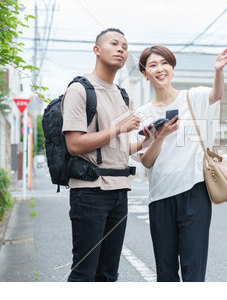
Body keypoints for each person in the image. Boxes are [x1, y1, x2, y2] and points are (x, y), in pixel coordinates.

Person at [135, 45, 227, 282]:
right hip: (160, 197)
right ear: (145, 74)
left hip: (194, 193)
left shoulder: (193, 97)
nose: (160, 69)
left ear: (172, 69)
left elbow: (216, 95)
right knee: (165, 272)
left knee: (193, 269)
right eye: (153, 65)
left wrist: (218, 71)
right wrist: (160, 137)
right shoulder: (142, 113)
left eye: (164, 63)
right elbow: (146, 161)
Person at [62, 28, 148, 282]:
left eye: (125, 45)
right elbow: (75, 144)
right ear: (97, 50)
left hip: (120, 190)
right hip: (90, 191)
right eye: (114, 43)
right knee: (84, 272)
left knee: (108, 274)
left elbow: (118, 148)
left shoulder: (122, 95)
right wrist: (119, 128)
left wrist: (149, 140)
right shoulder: (80, 89)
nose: (121, 49)